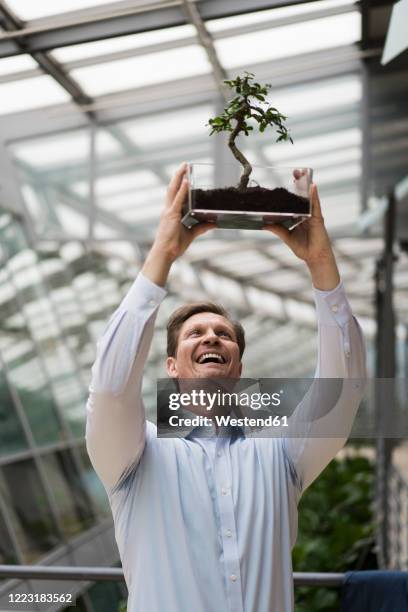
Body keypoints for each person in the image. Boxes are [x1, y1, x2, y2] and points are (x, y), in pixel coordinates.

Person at [86, 162, 366, 612]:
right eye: (195, 334)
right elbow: (111, 390)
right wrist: (163, 253)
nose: (212, 337)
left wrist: (320, 263)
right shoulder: (135, 456)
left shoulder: (282, 452)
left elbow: (344, 389)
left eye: (223, 334)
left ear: (237, 368)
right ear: (173, 367)